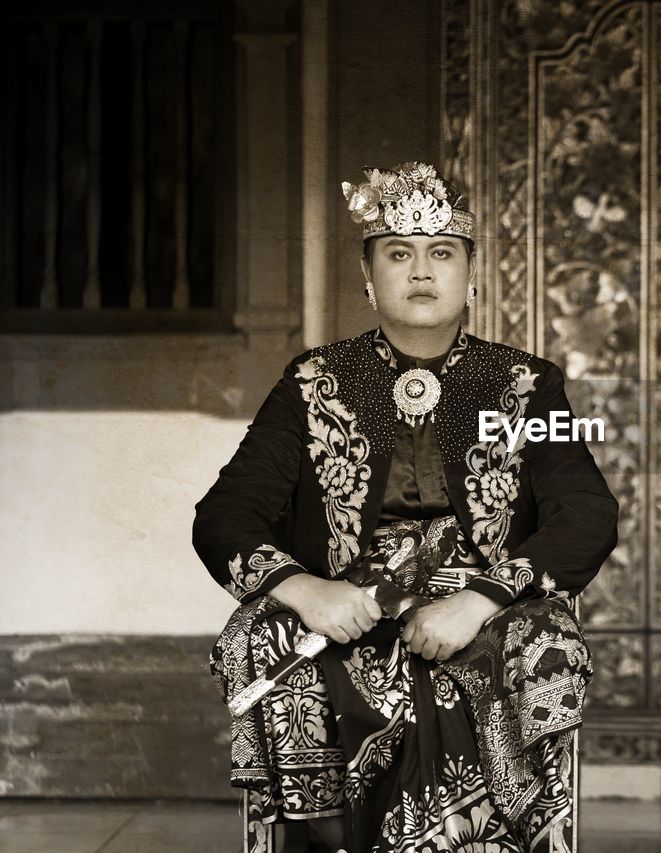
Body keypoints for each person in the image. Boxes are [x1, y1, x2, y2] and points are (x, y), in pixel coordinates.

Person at [195, 161, 618, 852]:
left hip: (483, 608)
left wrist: (482, 597)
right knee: (259, 631)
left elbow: (588, 512)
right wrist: (307, 590)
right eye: (399, 253)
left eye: (441, 252)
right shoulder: (313, 384)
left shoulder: (522, 386)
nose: (421, 270)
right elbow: (224, 513)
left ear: (471, 275)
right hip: (349, 605)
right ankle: (323, 836)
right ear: (368, 277)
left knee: (537, 646)